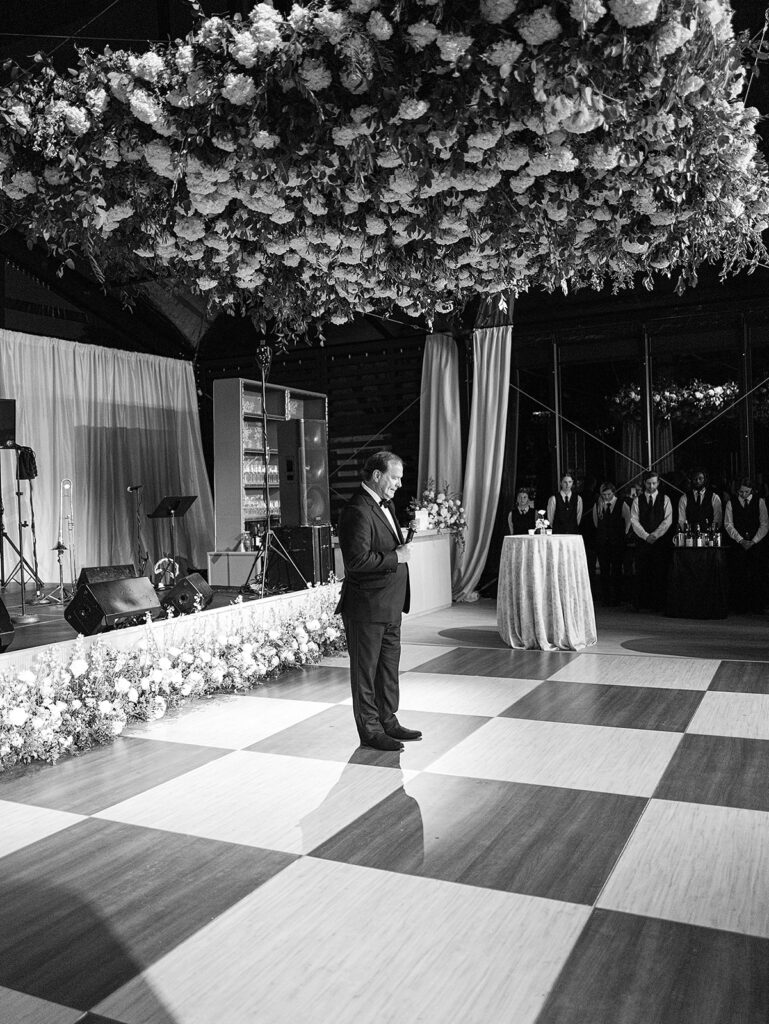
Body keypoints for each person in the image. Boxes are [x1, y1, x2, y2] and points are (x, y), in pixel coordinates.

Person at [335, 451, 421, 752]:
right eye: (394, 477)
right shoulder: (356, 509)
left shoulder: (386, 505)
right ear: (376, 475)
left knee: (387, 669)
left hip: (390, 604)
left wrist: (401, 545)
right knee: (365, 673)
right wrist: (396, 556)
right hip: (367, 606)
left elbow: (384, 548)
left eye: (399, 478)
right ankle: (370, 731)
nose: (398, 484)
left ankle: (388, 720)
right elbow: (356, 561)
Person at [630, 470, 673, 611]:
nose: (651, 486)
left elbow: (668, 520)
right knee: (642, 572)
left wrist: (655, 535)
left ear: (658, 483)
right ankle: (642, 604)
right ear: (644, 483)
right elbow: (634, 521)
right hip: (643, 543)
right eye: (649, 483)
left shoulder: (665, 499)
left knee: (659, 572)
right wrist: (645, 535)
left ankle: (658, 604)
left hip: (660, 542)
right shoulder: (637, 500)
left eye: (654, 483)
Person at [724, 477, 768, 613]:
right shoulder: (731, 503)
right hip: (738, 544)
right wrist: (740, 540)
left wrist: (754, 541)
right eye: (741, 492)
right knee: (738, 574)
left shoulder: (760, 502)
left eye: (746, 492)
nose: (743, 495)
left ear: (752, 491)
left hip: (756, 544)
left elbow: (764, 524)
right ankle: (739, 606)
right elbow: (728, 524)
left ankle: (757, 606)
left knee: (756, 574)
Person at [593, 481, 630, 606]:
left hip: (617, 541)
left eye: (608, 494)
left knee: (616, 569)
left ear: (613, 493)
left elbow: (628, 520)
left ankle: (617, 598)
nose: (606, 497)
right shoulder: (598, 504)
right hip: (603, 542)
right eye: (604, 495)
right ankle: (606, 598)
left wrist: (623, 534)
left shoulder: (621, 503)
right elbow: (596, 521)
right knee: (604, 570)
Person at [678, 469, 723, 534]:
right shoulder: (684, 498)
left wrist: (712, 533)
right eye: (695, 479)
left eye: (700, 478)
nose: (697, 481)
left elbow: (718, 519)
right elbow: (681, 520)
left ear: (705, 479)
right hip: (690, 537)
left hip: (709, 536)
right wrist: (687, 534)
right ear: (691, 480)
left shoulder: (714, 497)